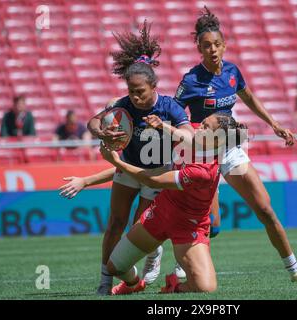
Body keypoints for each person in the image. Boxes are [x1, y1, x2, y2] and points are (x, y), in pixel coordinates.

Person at [173, 7, 297, 282]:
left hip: (230, 150)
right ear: (199, 49)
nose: (212, 49)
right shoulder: (191, 80)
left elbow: (248, 98)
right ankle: (182, 266)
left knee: (265, 209)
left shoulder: (232, 71)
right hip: (202, 154)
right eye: (206, 46)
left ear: (224, 45)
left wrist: (274, 124)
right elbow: (176, 114)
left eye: (216, 44)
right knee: (211, 225)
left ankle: (295, 271)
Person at [84, 21, 193, 295]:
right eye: (131, 91)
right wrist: (103, 131)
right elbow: (92, 123)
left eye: (140, 91)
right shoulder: (123, 105)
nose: (134, 96)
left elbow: (189, 136)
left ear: (153, 86)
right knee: (114, 224)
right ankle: (105, 280)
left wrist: (163, 127)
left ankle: (153, 253)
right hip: (128, 170)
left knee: (136, 230)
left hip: (157, 175)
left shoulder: (170, 107)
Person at [99, 112, 245, 294]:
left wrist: (116, 162)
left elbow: (153, 180)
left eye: (205, 127)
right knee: (115, 267)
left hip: (189, 226)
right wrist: (160, 125)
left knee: (205, 288)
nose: (199, 127)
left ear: (217, 141)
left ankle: (174, 287)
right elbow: (179, 134)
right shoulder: (196, 141)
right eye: (203, 122)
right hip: (161, 213)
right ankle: (135, 283)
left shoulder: (203, 171)